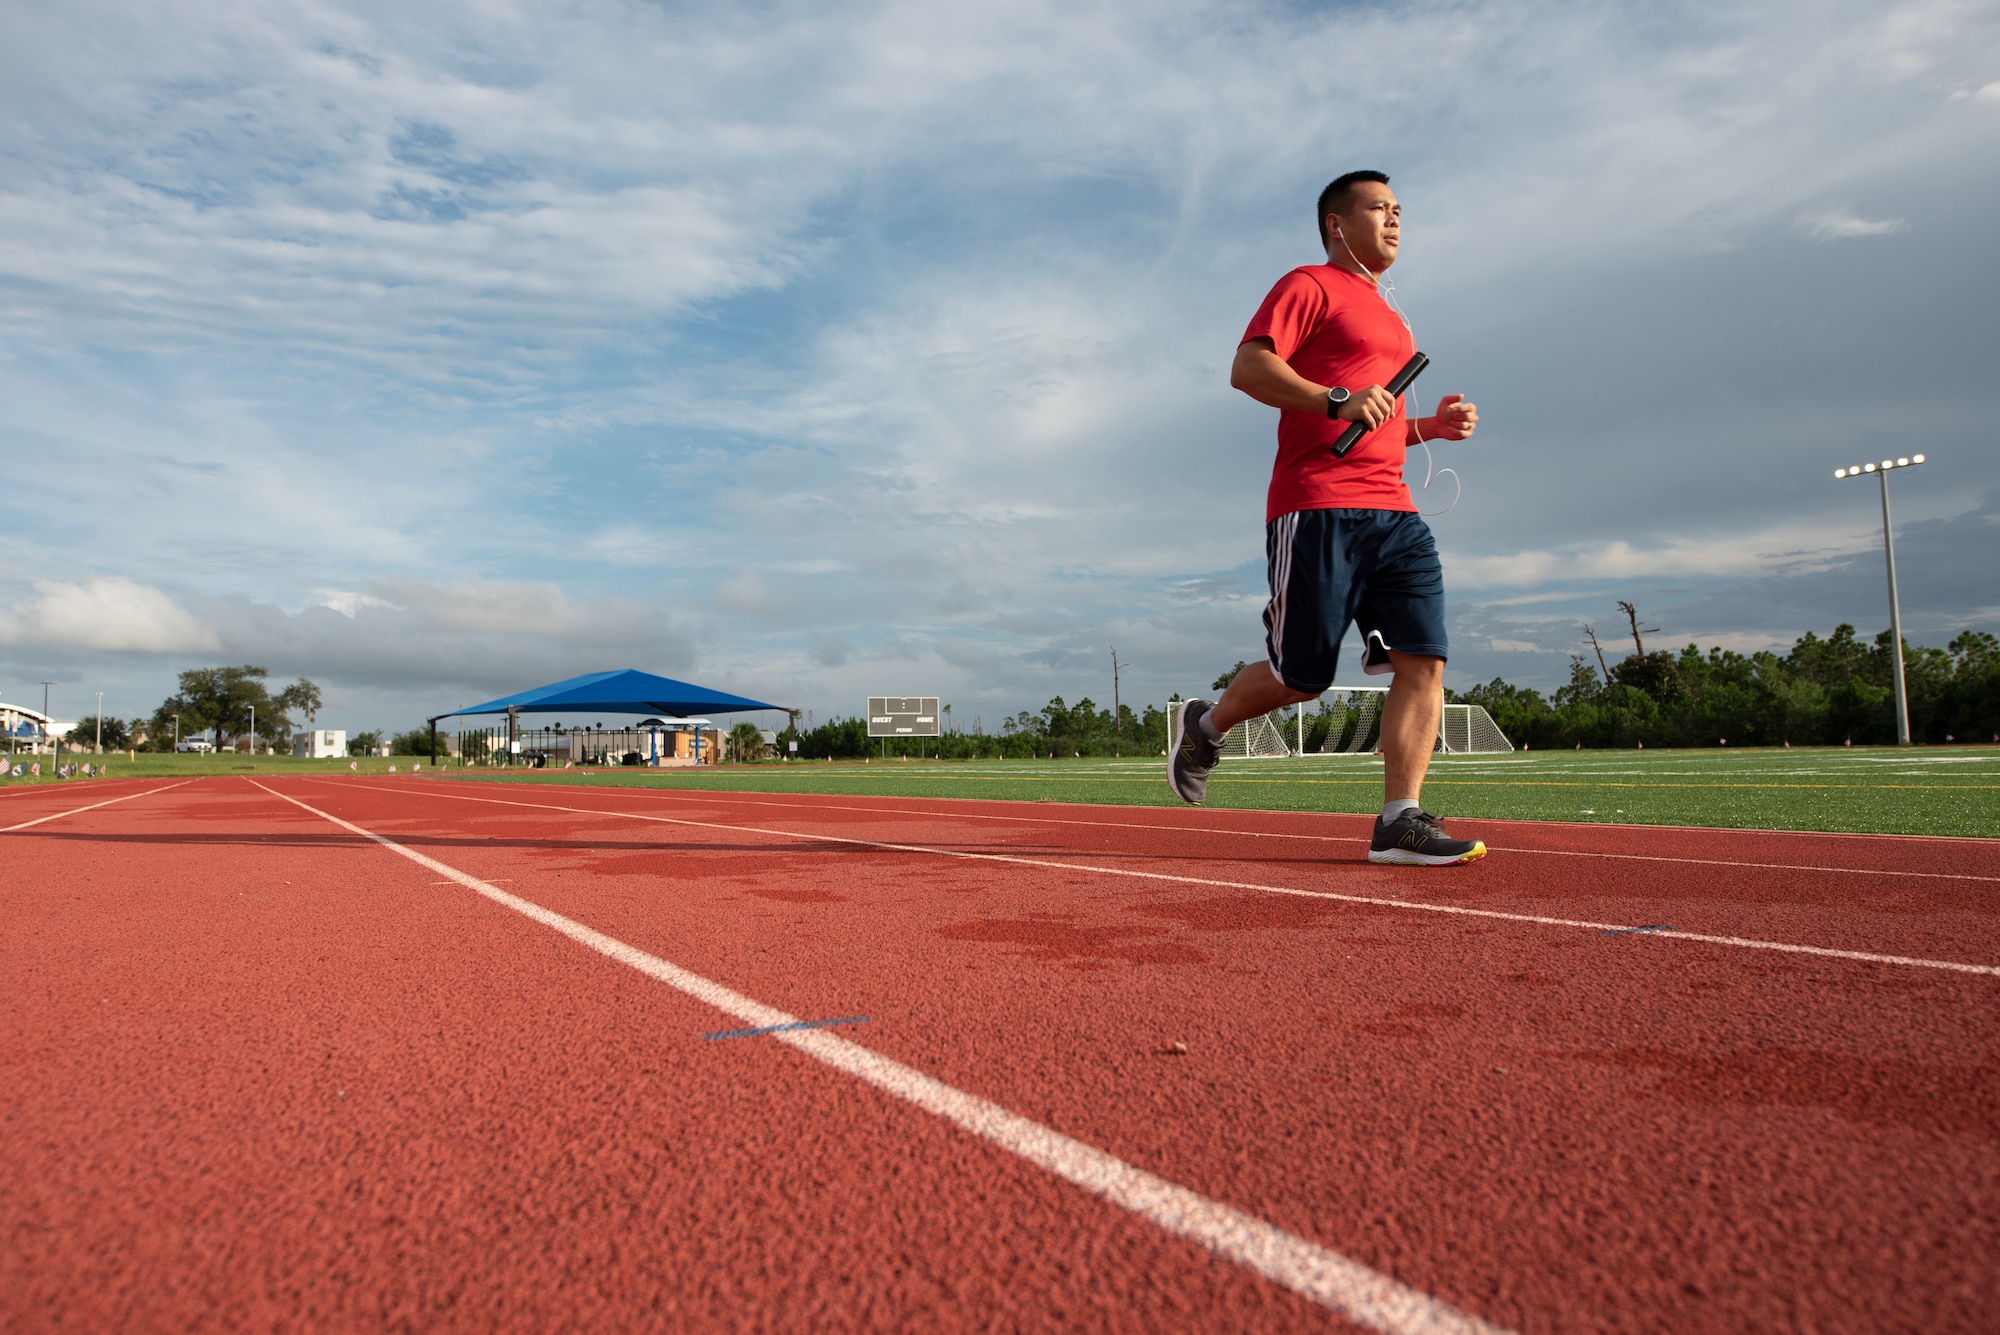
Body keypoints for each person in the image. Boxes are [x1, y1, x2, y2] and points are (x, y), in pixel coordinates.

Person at [1168, 170, 1485, 866]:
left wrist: (1430, 426)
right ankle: (1209, 723)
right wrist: (1336, 398)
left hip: (1396, 512)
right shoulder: (1309, 284)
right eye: (1380, 208)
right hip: (1316, 505)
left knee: (1423, 660)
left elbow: (1378, 422)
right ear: (1337, 224)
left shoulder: (1393, 318)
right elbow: (1248, 369)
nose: (1396, 219)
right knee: (1301, 677)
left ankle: (1399, 818)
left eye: (1401, 209)